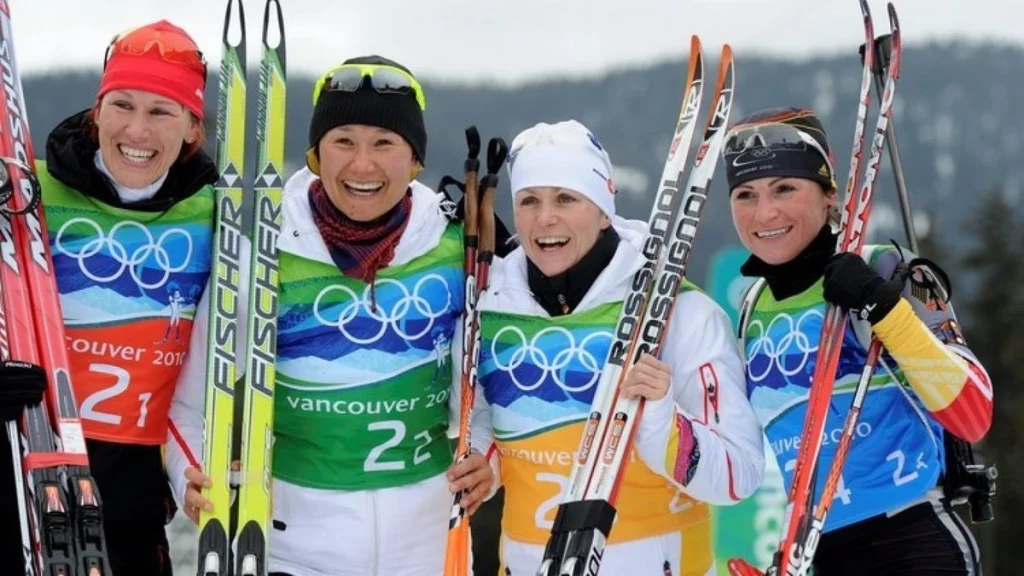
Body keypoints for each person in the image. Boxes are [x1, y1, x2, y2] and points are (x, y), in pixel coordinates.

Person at [166, 55, 495, 576]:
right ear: (316, 155)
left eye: (383, 143)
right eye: (343, 141)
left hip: (430, 540)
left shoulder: (458, 250)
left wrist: (487, 459)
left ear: (415, 160)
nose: (362, 165)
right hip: (295, 541)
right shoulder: (263, 254)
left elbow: (492, 384)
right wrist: (190, 469)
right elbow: (189, 401)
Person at [463, 120, 765, 575]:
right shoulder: (493, 308)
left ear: (603, 209)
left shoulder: (679, 313)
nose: (546, 218)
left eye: (566, 198)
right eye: (529, 201)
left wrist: (660, 418)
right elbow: (489, 424)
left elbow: (738, 476)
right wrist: (484, 466)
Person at [722, 107, 993, 576]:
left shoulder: (887, 268)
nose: (764, 212)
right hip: (818, 552)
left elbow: (972, 412)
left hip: (911, 540)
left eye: (785, 188)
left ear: (829, 195)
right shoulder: (750, 309)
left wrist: (882, 306)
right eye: (745, 194)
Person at [0, 19, 219, 575]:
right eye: (122, 105)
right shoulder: (29, 193)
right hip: (27, 466)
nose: (137, 131)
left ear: (192, 127)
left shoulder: (216, 216)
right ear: (97, 112)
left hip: (134, 493)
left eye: (161, 112)